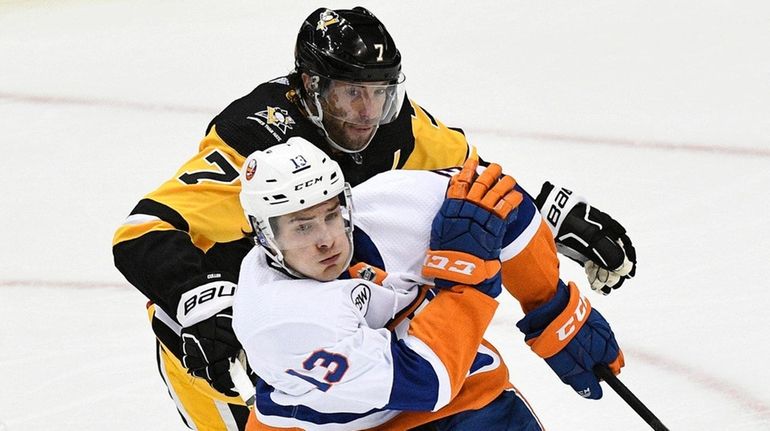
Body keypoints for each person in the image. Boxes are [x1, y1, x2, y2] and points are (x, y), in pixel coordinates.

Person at [112, 6, 635, 430]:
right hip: (234, 347)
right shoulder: (257, 141)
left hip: (350, 328)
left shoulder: (396, 126)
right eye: (351, 94)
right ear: (311, 87)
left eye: (380, 93)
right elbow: (143, 233)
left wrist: (552, 215)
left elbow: (474, 189)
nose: (367, 113)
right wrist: (205, 308)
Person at [231, 139, 624, 430]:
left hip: (458, 400)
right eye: (302, 227)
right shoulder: (277, 319)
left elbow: (499, 198)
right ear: (264, 235)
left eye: (331, 215)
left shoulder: (392, 205)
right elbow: (423, 380)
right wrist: (467, 283)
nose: (326, 239)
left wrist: (549, 306)